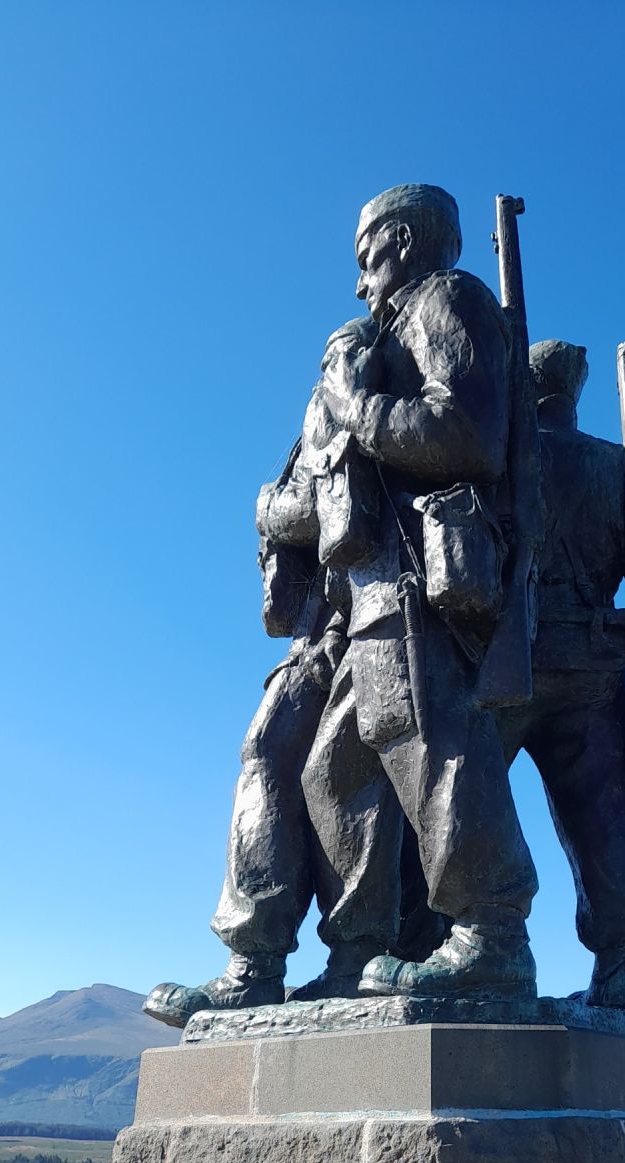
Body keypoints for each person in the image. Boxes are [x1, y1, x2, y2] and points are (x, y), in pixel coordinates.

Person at [302, 183, 539, 1000]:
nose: (362, 282)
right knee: (334, 772)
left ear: (400, 239)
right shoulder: (391, 328)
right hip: (376, 589)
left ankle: (492, 933)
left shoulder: (446, 299)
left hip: (419, 585)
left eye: (366, 259)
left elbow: (463, 433)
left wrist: (353, 405)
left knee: (435, 747)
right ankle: (355, 953)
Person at [144, 319, 404, 1027]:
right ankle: (255, 963)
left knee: (341, 772)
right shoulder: (323, 418)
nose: (329, 370)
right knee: (269, 752)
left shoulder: (373, 399)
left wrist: (268, 505)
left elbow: (328, 506)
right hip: (323, 632)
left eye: (336, 359)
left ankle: (353, 955)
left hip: (377, 616)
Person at [496, 339, 625, 1010]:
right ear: (575, 393)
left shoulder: (497, 453)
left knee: (460, 801)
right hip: (593, 672)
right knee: (602, 818)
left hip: (503, 664)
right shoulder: (623, 470)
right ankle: (622, 963)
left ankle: (471, 939)